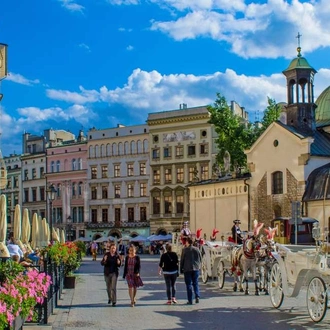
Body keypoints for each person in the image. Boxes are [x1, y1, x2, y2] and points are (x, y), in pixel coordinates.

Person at [180, 237, 202, 305]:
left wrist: (181, 269)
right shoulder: (197, 249)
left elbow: (182, 260)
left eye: (186, 241)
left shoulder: (184, 250)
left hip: (187, 269)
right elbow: (200, 258)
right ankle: (197, 296)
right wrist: (198, 265)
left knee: (189, 285)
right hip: (196, 268)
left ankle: (190, 300)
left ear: (187, 242)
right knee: (195, 283)